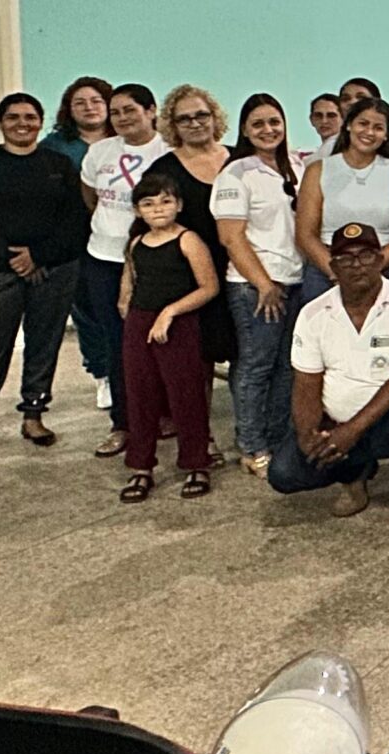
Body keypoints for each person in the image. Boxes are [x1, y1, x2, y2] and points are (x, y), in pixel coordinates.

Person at [268, 223, 389, 541]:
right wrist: (309, 436)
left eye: (365, 256)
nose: (357, 265)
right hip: (336, 423)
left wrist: (351, 431)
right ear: (333, 266)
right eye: (346, 259)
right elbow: (306, 384)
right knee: (284, 473)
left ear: (380, 260)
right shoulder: (313, 313)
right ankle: (354, 477)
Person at [0, 91, 87, 459]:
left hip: (52, 268)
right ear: (0, 124)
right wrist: (11, 256)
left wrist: (38, 256)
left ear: (40, 122)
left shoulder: (58, 164)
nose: (22, 124)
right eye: (13, 117)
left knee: (44, 342)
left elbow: (74, 219)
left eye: (30, 117)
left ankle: (34, 414)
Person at [213, 94, 305, 475]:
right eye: (258, 124)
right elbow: (231, 237)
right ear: (245, 130)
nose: (268, 130)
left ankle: (278, 438)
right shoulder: (236, 174)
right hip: (255, 287)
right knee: (256, 366)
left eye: (274, 122)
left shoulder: (296, 165)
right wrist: (263, 283)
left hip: (295, 280)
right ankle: (252, 446)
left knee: (287, 367)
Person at [116, 171, 221, 502]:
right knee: (140, 394)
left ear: (179, 205)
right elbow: (129, 280)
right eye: (148, 203)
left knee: (185, 394)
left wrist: (170, 312)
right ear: (137, 210)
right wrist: (127, 306)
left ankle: (196, 461)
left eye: (165, 201)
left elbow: (209, 287)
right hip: (140, 323)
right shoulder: (136, 243)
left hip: (179, 324)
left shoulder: (188, 240)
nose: (158, 209)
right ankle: (141, 466)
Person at [77, 83, 168, 456]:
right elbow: (90, 197)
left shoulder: (167, 152)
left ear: (151, 111)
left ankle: (163, 414)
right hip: (103, 260)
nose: (122, 118)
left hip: (154, 262)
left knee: (159, 341)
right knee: (118, 344)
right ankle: (123, 423)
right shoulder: (100, 152)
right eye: (115, 112)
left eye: (130, 110)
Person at [140, 85, 238, 371]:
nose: (195, 123)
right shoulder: (162, 170)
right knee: (195, 362)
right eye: (184, 118)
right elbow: (148, 226)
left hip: (242, 268)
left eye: (201, 115)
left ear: (215, 117)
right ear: (172, 125)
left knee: (245, 354)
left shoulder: (241, 160)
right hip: (189, 280)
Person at [293, 97, 389, 308]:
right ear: (348, 125)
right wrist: (338, 272)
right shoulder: (317, 170)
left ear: (387, 135)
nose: (369, 132)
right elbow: (305, 234)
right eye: (363, 123)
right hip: (328, 269)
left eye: (378, 127)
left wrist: (373, 267)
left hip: (385, 268)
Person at [43, 76, 112, 168]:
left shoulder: (125, 140)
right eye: (80, 103)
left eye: (96, 101)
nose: (89, 107)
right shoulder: (53, 145)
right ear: (69, 110)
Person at [304, 93, 346, 164]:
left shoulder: (338, 146)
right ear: (311, 120)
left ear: (343, 119)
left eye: (331, 115)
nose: (324, 121)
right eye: (318, 115)